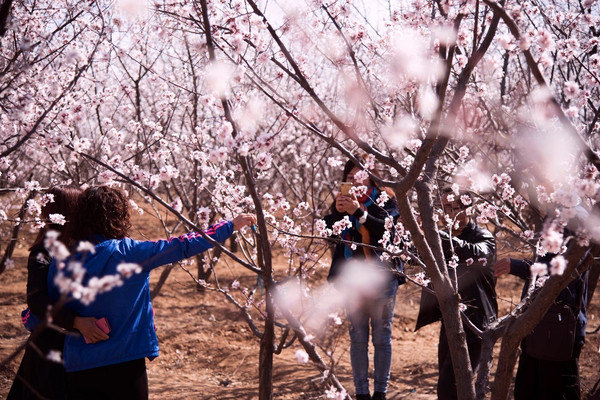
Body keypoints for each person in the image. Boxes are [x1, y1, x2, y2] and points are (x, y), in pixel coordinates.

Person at [47, 185, 256, 399]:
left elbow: (45, 311)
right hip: (125, 362)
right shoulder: (129, 253)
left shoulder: (61, 261)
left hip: (79, 364)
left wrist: (75, 322)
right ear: (117, 216)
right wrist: (228, 226)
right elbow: (182, 245)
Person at [7, 186, 109, 400]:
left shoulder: (90, 247)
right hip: (53, 344)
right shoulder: (44, 250)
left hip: (87, 344)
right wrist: (76, 321)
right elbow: (36, 300)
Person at [323, 158, 403, 400]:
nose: (356, 179)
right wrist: (338, 212)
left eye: (361, 174)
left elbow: (387, 228)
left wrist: (358, 211)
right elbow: (331, 234)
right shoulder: (342, 201)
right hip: (352, 279)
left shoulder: (384, 198)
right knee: (357, 337)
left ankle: (380, 392)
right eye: (351, 175)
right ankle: (361, 394)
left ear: (371, 175)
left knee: (382, 336)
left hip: (382, 277)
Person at [415, 187, 497, 400]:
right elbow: (414, 258)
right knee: (446, 381)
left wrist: (436, 233)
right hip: (451, 318)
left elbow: (478, 254)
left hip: (477, 321)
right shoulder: (442, 237)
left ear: (469, 208)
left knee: (463, 384)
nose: (447, 213)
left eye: (453, 207)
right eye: (443, 208)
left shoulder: (483, 236)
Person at [495, 245, 588, 399]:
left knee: (556, 392)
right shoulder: (552, 230)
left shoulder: (578, 234)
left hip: (559, 333)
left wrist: (519, 266)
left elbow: (566, 272)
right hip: (535, 327)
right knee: (528, 390)